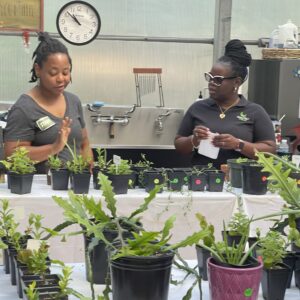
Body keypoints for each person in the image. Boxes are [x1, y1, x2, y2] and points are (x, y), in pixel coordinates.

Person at [174, 39, 276, 169]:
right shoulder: (198, 108)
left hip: (240, 182)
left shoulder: (255, 111)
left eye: (217, 80)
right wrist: (194, 140)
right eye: (209, 77)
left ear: (236, 82)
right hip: (201, 181)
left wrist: (238, 144)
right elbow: (179, 146)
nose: (211, 83)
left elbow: (270, 151)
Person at [4, 32, 93, 173]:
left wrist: (88, 170)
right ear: (38, 69)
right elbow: (11, 155)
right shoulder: (24, 108)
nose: (60, 79)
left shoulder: (73, 101)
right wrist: (54, 147)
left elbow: (84, 143)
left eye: (65, 72)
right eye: (53, 73)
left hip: (74, 186)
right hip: (39, 189)